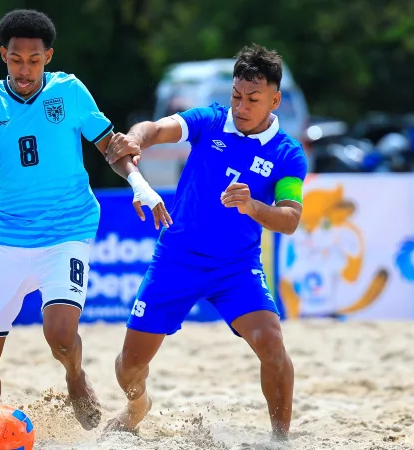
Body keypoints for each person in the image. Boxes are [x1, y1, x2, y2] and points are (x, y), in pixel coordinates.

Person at [0, 9, 171, 430]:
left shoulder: (69, 92)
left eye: (34, 59)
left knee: (61, 334)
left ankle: (75, 377)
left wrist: (139, 184)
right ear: (4, 55)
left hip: (66, 228)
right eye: (16, 59)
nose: (25, 68)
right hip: (6, 237)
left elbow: (111, 146)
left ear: (47, 56)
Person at [103, 43, 307, 441]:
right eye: (236, 96)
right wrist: (135, 138)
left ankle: (280, 439)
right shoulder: (210, 121)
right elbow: (157, 129)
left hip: (236, 267)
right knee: (129, 365)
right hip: (176, 258)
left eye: (252, 99)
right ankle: (137, 405)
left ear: (275, 100)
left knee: (271, 342)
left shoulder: (286, 154)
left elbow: (290, 219)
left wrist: (253, 207)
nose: (241, 105)